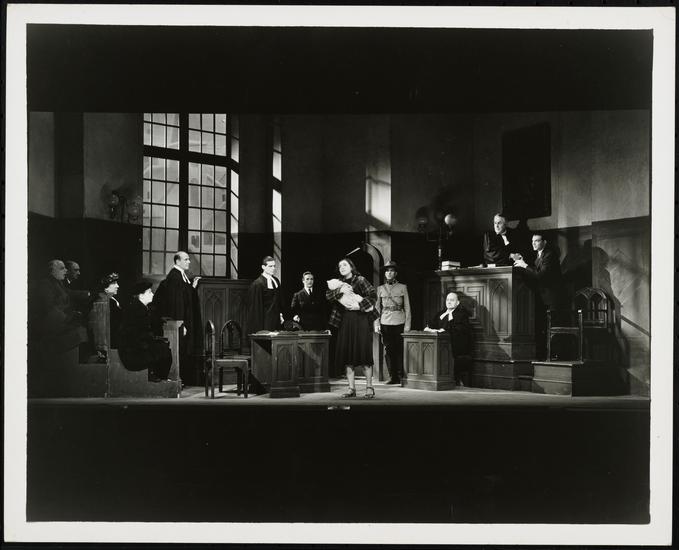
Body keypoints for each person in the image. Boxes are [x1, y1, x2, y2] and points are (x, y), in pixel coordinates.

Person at [326, 257, 379, 399]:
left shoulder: (360, 280)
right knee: (348, 355)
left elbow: (373, 296)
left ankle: (369, 387)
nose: (342, 268)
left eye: (344, 265)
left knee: (364, 354)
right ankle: (351, 388)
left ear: (351, 266)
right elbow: (329, 297)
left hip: (361, 319)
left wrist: (359, 306)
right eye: (340, 266)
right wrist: (340, 290)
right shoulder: (337, 283)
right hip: (345, 320)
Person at [513, 233, 566, 359]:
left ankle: (556, 355)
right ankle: (546, 355)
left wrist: (524, 265)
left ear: (544, 242)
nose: (533, 243)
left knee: (553, 326)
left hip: (552, 297)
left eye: (537, 241)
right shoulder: (539, 255)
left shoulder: (549, 255)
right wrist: (523, 264)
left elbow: (540, 275)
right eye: (532, 241)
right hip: (543, 297)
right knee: (543, 327)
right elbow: (535, 273)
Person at [153, 251, 202, 385]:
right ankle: (178, 379)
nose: (189, 262)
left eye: (188, 259)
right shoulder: (175, 277)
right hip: (178, 323)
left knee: (183, 350)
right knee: (179, 350)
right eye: (186, 259)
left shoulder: (180, 276)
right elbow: (177, 304)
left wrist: (192, 288)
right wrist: (182, 324)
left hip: (181, 322)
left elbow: (184, 296)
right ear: (177, 261)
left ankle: (182, 379)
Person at [118, 280, 172, 382]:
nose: (153, 294)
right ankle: (157, 377)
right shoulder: (135, 310)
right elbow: (134, 334)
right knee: (162, 350)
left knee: (164, 348)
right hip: (133, 351)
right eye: (149, 292)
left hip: (140, 345)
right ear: (141, 296)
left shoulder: (143, 308)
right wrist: (152, 341)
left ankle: (160, 377)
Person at [375, 261, 411, 385]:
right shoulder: (380, 289)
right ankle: (393, 376)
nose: (389, 273)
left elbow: (407, 307)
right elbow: (377, 308)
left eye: (391, 271)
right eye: (387, 271)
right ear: (385, 273)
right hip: (385, 322)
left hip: (399, 321)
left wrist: (407, 325)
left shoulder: (402, 287)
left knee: (400, 350)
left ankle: (401, 376)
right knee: (389, 351)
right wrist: (377, 324)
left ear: (395, 273)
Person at [425, 291, 472, 385]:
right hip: (438, 346)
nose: (449, 302)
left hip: (455, 347)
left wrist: (445, 331)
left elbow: (461, 331)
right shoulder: (441, 313)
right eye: (447, 300)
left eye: (452, 300)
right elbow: (432, 324)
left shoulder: (462, 315)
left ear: (457, 303)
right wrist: (430, 329)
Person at [246, 256, 284, 333]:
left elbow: (278, 301)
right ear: (263, 267)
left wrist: (280, 314)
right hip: (264, 321)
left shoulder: (276, 281)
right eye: (270, 266)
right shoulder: (257, 284)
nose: (273, 268)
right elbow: (255, 308)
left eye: (274, 266)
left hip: (276, 320)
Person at [97, 272, 122, 349]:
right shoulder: (105, 301)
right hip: (110, 342)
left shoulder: (111, 300)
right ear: (105, 287)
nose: (117, 286)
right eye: (114, 283)